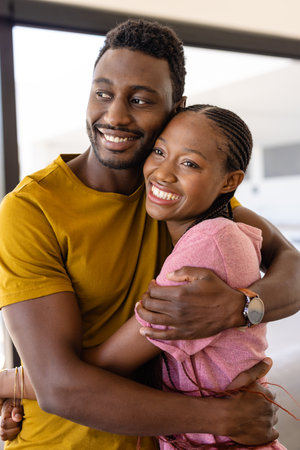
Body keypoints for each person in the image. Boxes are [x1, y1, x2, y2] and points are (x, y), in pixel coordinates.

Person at [0, 18, 298, 449]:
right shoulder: (32, 209)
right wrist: (223, 417)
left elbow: (292, 263)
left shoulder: (178, 195)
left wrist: (243, 308)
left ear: (176, 107)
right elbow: (60, 386)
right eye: (103, 93)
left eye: (140, 100)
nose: (115, 115)